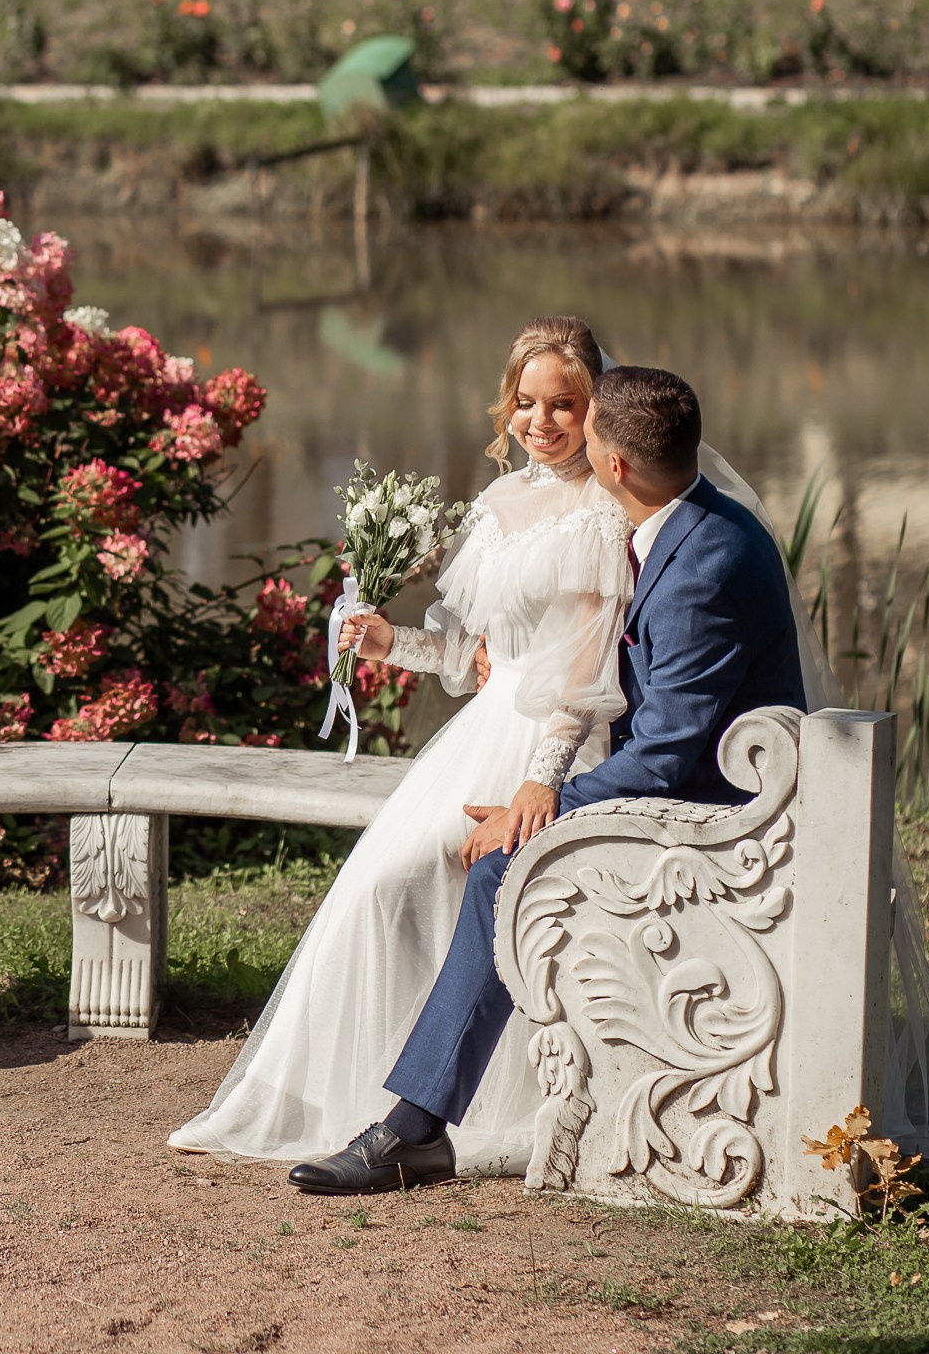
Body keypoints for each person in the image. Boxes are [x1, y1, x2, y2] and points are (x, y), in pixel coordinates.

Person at [283, 363, 812, 1196]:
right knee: (491, 862)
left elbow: (669, 754)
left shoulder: (701, 563)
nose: (564, 436)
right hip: (688, 779)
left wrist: (547, 804)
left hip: (718, 814)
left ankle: (411, 1129)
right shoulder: (686, 528)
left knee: (506, 870)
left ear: (618, 468)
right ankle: (415, 1119)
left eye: (587, 426)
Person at [169, 318, 635, 1171]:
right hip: (483, 728)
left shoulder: (604, 515)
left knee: (458, 887)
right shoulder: (498, 506)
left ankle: (447, 1112)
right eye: (527, 403)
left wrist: (541, 784)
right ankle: (355, 1097)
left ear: (594, 406)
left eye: (563, 404)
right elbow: (468, 653)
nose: (541, 422)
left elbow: (584, 673)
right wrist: (390, 644)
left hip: (555, 746)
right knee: (379, 888)